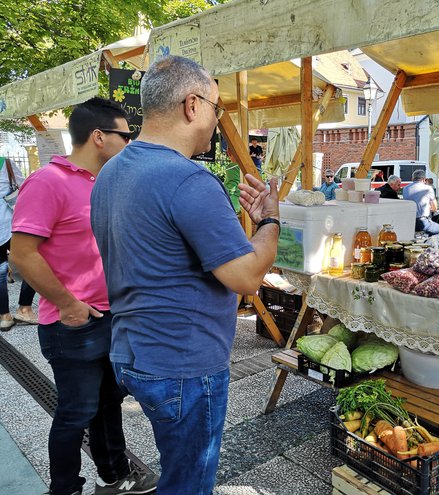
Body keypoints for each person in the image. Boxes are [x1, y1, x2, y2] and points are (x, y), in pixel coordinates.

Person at [90, 55, 280, 495]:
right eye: (217, 107)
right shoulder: (188, 180)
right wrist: (269, 221)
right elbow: (248, 277)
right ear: (192, 105)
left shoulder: (110, 172)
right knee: (189, 483)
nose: (217, 120)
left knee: (177, 469)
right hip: (184, 364)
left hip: (131, 352)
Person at [10, 98, 158, 495]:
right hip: (71, 323)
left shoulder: (108, 182)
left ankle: (114, 475)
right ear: (99, 137)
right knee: (75, 413)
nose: (130, 143)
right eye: (125, 135)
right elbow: (22, 253)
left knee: (108, 403)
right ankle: (64, 489)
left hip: (111, 316)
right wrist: (67, 304)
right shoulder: (48, 181)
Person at [0, 157, 38, 329]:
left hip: (6, 227)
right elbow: (24, 186)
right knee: (32, 261)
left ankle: (4, 316)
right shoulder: (5, 163)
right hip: (10, 224)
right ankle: (24, 308)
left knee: (0, 272)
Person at [402, 169, 439, 236]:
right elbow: (434, 208)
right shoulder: (428, 188)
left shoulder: (405, 188)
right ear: (424, 179)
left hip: (408, 221)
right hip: (421, 222)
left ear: (412, 178)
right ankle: (431, 245)